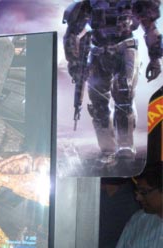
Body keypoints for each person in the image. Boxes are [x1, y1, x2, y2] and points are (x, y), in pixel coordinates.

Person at [63, 0, 162, 166]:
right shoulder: (89, 3)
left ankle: (125, 148)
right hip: (97, 53)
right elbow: (72, 33)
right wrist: (74, 62)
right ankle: (107, 150)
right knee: (98, 104)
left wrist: (155, 59)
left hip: (125, 50)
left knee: (124, 96)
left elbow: (150, 28)